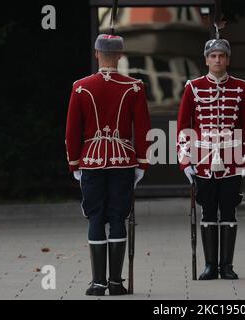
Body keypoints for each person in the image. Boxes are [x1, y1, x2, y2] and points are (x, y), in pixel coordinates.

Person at [65, 34, 151, 295]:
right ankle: (115, 283)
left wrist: (74, 163)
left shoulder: (81, 87)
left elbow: (72, 131)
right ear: (121, 56)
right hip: (123, 159)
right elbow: (144, 128)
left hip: (90, 159)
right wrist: (142, 162)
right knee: (117, 217)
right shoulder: (134, 86)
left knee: (95, 217)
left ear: (96, 53)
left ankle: (98, 283)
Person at [177, 38, 245, 280]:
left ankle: (227, 266)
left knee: (229, 211)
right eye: (213, 56)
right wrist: (185, 160)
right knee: (208, 212)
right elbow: (183, 127)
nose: (217, 60)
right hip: (203, 161)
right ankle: (210, 266)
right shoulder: (193, 87)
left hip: (232, 161)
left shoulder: (242, 88)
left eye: (221, 56)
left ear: (228, 59)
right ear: (206, 60)